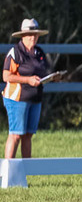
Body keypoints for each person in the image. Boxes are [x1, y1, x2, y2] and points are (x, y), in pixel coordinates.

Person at [3, 18, 52, 159]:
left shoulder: (39, 53)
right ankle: (8, 171)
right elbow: (6, 76)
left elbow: (44, 71)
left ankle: (26, 171)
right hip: (17, 99)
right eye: (30, 35)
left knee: (28, 135)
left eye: (36, 35)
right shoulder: (15, 52)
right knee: (16, 134)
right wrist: (27, 80)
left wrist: (52, 77)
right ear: (23, 36)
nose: (33, 38)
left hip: (35, 98)